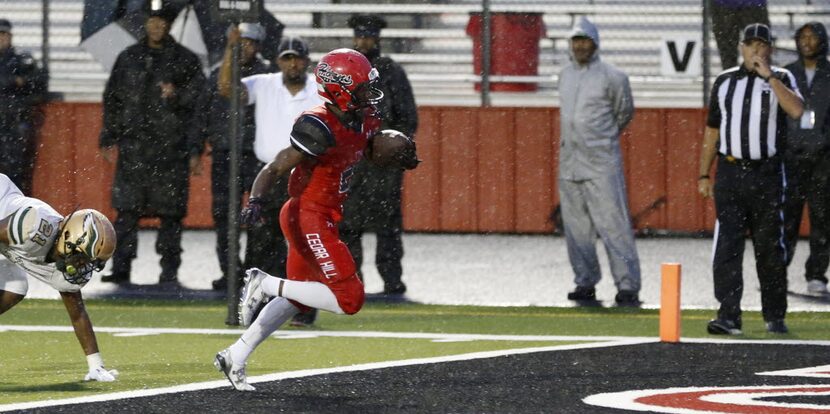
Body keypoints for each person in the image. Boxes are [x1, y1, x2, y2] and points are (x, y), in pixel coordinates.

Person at [214, 48, 418, 391]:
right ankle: (264, 282)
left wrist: (398, 150)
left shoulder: (363, 116)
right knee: (349, 299)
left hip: (322, 214)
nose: (369, 93)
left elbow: (367, 147)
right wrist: (257, 199)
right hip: (307, 215)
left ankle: (236, 354)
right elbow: (276, 165)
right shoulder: (319, 123)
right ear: (340, 87)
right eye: (362, 86)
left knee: (298, 296)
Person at [698, 23, 803, 335]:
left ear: (769, 49)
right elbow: (712, 130)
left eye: (762, 45)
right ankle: (728, 315)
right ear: (741, 47)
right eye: (751, 45)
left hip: (767, 173)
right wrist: (704, 172)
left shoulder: (781, 78)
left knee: (770, 247)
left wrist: (768, 75)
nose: (756, 50)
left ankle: (774, 314)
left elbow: (797, 110)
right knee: (727, 246)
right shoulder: (724, 81)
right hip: (730, 172)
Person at [218, 30, 322, 326]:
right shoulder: (264, 84)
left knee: (305, 242)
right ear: (278, 61)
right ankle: (260, 306)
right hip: (268, 174)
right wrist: (230, 50)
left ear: (306, 61)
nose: (292, 65)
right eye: (287, 59)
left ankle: (303, 308)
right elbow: (227, 88)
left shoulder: (318, 88)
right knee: (261, 243)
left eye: (297, 59)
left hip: (306, 174)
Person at [98, 2, 205, 286]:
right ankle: (121, 269)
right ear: (145, 24)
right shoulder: (128, 57)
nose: (156, 27)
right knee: (126, 213)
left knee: (171, 216)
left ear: (169, 25)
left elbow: (199, 107)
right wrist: (108, 137)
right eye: (152, 21)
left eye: (162, 22)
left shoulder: (186, 61)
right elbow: (113, 100)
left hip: (172, 151)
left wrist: (177, 97)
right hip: (134, 150)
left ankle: (169, 271)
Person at [0, 173, 119, 382]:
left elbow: (78, 313)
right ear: (69, 238)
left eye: (90, 263)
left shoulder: (62, 264)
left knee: (15, 288)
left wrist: (96, 366)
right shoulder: (33, 227)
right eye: (83, 259)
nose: (83, 267)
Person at [557, 16, 641, 307]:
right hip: (569, 162)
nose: (580, 46)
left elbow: (624, 112)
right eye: (576, 40)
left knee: (613, 224)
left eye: (585, 40)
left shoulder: (613, 76)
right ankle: (585, 281)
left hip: (602, 161)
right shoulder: (564, 75)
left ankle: (627, 285)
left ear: (595, 43)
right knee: (576, 228)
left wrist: (602, 141)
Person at [340, 14, 418, 297]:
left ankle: (392, 281)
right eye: (360, 37)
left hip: (383, 164)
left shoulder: (391, 72)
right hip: (353, 161)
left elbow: (408, 118)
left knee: (388, 227)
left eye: (368, 37)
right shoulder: (344, 72)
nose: (363, 42)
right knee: (348, 225)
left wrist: (392, 146)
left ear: (377, 39)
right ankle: (353, 280)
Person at [201, 23, 272, 292]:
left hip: (256, 153)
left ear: (258, 46)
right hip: (224, 152)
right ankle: (230, 270)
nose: (246, 47)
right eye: (241, 42)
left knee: (257, 214)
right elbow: (202, 112)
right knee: (224, 216)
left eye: (250, 42)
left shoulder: (267, 74)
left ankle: (254, 271)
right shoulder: (216, 74)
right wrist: (196, 148)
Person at [783, 22, 830, 297]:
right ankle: (779, 271)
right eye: (803, 37)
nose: (807, 42)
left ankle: (816, 275)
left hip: (823, 158)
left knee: (822, 217)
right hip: (791, 156)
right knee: (787, 216)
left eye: (813, 37)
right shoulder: (787, 73)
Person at [0, 18, 48, 195]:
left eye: (4, 34)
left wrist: (17, 82)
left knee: (18, 174)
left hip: (16, 126)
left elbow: (40, 82)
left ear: (10, 37)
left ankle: (20, 216)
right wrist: (14, 81)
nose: (1, 39)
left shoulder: (21, 60)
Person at [710, 0, 769, 70]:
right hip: (723, 5)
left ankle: (761, 78)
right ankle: (730, 78)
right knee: (727, 56)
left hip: (754, 5)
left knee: (759, 55)